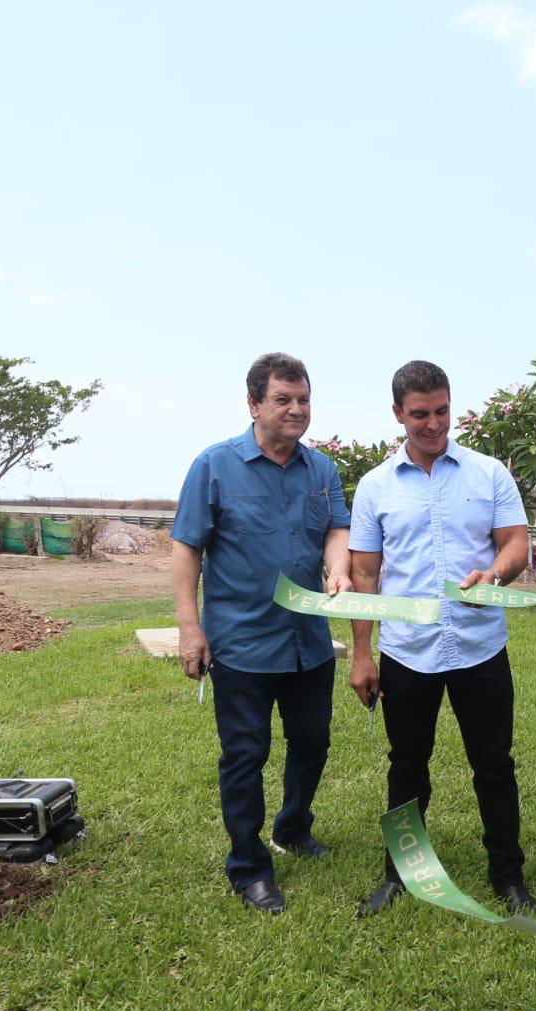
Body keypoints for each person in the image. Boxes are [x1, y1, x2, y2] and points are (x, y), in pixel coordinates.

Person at [348, 361, 536, 919]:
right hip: (408, 651)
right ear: (397, 415)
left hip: (481, 647)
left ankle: (508, 874)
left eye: (442, 411)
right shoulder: (375, 487)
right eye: (419, 415)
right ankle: (399, 874)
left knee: (495, 765)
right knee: (407, 766)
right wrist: (362, 654)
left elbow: (516, 546)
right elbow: (364, 577)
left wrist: (496, 574)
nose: (433, 425)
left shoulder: (489, 474)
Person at [171, 353, 352, 915]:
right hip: (244, 645)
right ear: (254, 404)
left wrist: (339, 565)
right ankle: (249, 866)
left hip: (308, 645)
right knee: (245, 755)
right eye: (283, 399)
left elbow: (337, 530)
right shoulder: (215, 465)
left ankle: (293, 826)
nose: (296, 409)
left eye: (303, 399)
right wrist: (188, 628)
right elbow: (187, 547)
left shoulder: (321, 470)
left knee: (314, 743)